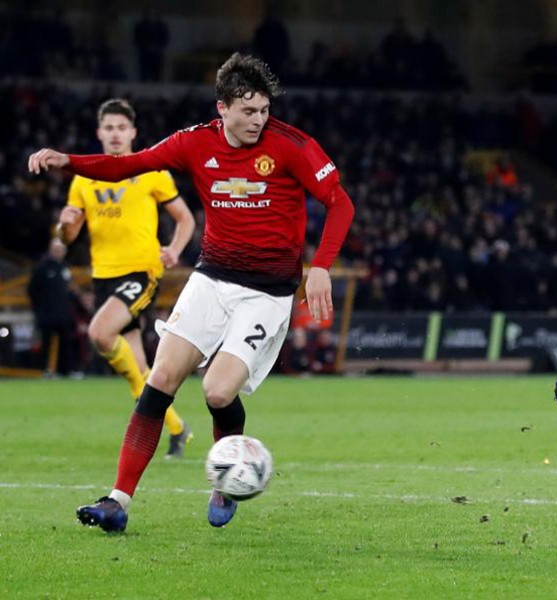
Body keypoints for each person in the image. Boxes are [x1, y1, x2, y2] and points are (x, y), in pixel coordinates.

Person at [29, 53, 355, 532]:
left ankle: (226, 481)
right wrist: (68, 163)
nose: (258, 120)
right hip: (212, 278)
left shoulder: (291, 146)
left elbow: (340, 203)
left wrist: (321, 266)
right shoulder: (193, 143)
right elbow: (129, 166)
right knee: (160, 379)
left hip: (266, 292)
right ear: (222, 107)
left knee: (217, 390)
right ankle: (117, 501)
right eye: (248, 111)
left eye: (264, 110)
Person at [58, 98, 196, 458]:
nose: (115, 134)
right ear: (99, 133)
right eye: (109, 128)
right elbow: (66, 239)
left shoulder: (152, 170)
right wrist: (65, 225)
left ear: (133, 132)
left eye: (122, 128)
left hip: (142, 271)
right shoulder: (84, 178)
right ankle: (178, 429)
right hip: (103, 275)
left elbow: (186, 219)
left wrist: (175, 249)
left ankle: (162, 422)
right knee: (137, 369)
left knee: (99, 333)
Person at [27, 238, 77, 376]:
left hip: (63, 313)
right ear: (50, 250)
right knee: (45, 344)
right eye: (56, 249)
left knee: (66, 344)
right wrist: (39, 308)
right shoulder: (41, 268)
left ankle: (66, 371)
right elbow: (32, 290)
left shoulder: (65, 268)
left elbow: (69, 290)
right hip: (46, 314)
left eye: (60, 249)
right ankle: (45, 371)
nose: (58, 252)